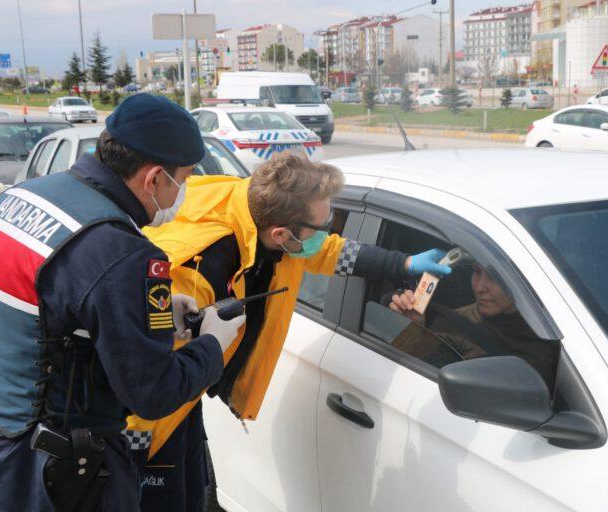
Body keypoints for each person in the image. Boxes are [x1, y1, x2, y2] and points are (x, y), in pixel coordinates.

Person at [126, 152, 452, 511]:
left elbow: (320, 251)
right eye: (320, 225)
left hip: (185, 402)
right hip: (146, 424)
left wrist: (402, 263)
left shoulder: (254, 212)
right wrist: (133, 450)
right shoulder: (199, 269)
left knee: (192, 493)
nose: (325, 233)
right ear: (281, 234)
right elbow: (143, 377)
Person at [0, 93, 245, 512]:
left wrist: (145, 309)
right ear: (154, 177)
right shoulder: (122, 251)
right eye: (185, 178)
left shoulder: (20, 197)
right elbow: (152, 393)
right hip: (58, 473)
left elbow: (44, 305)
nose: (184, 191)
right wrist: (212, 345)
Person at [388, 262, 559, 389]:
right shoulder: (455, 325)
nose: (479, 287)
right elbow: (400, 376)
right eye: (476, 271)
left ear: (522, 281)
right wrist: (415, 330)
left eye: (495, 277)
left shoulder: (556, 326)